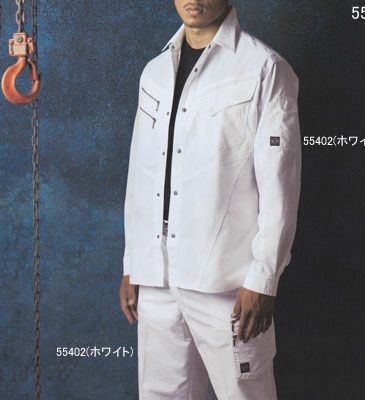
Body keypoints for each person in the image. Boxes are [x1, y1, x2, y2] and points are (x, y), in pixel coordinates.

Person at [119, 1, 301, 399]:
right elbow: (142, 171)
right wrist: (134, 262)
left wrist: (264, 279)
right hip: (157, 275)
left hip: (227, 282)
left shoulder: (265, 68)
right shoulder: (154, 72)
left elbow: (281, 185)